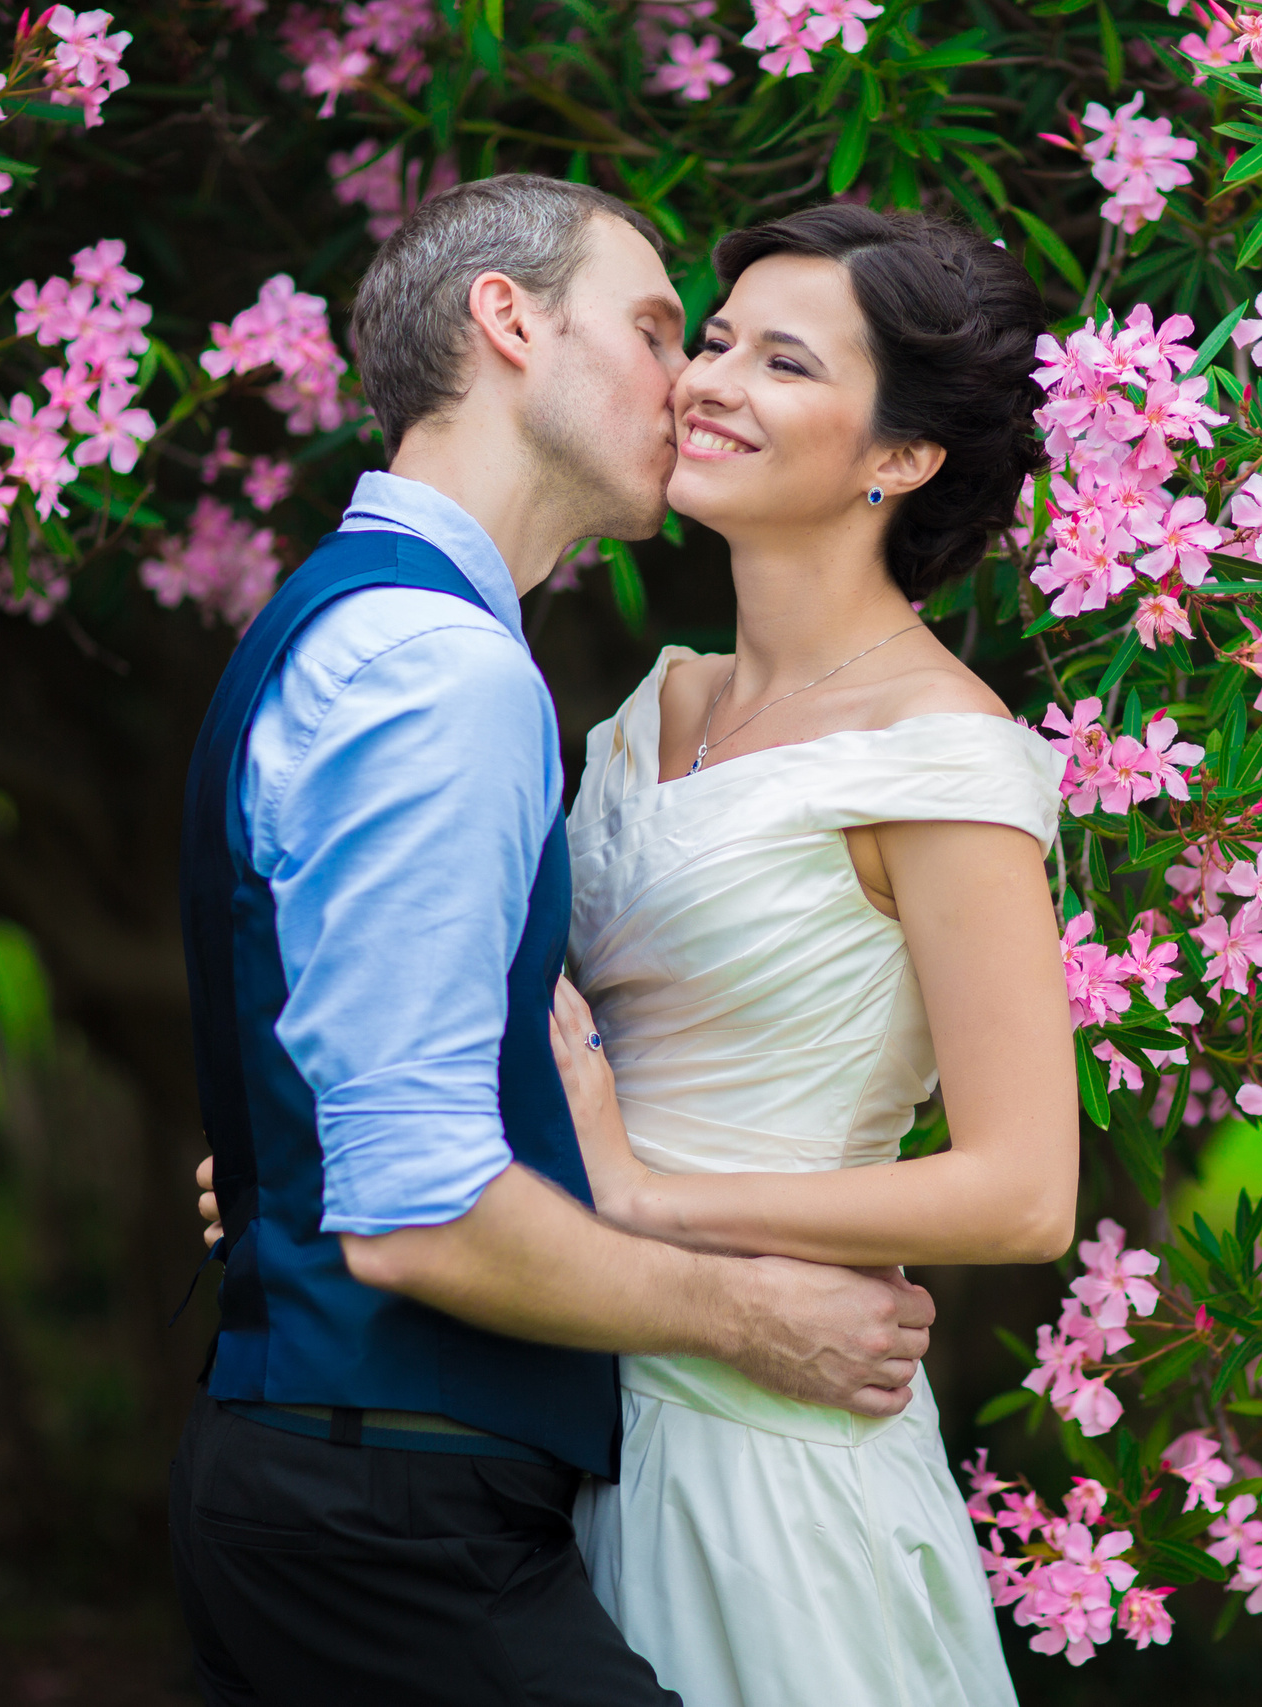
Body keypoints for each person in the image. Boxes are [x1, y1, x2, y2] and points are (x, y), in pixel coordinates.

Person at [167, 174, 942, 1707]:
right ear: (508, 321)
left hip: (375, 1492)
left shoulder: (377, 627)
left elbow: (379, 1084)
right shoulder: (440, 672)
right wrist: (755, 1315)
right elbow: (417, 1216)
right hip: (384, 1519)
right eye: (662, 330)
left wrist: (288, 1161)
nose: (696, 383)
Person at [547, 204, 1078, 1706]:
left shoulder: (943, 757)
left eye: (783, 362)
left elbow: (1025, 1188)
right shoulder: (648, 715)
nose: (710, 381)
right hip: (573, 1406)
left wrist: (650, 1197)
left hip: (770, 1452)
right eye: (713, 341)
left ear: (898, 459)